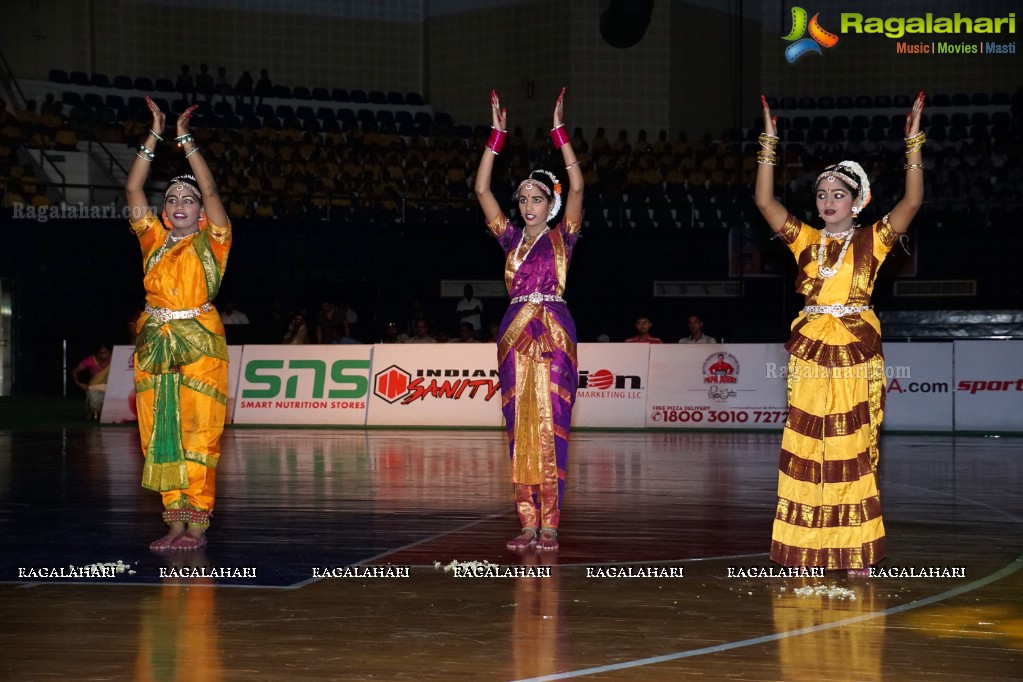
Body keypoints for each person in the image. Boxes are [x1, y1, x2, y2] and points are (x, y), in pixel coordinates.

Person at [755, 92, 925, 574]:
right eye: (821, 194)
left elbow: (913, 199)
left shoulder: (875, 239)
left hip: (855, 346)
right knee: (807, 444)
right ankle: (806, 548)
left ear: (858, 200)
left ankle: (855, 549)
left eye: (838, 195)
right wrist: (769, 142)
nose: (827, 202)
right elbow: (764, 200)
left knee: (850, 445)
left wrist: (913, 143)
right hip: (810, 347)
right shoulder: (804, 239)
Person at [474, 88, 583, 551]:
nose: (526, 205)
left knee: (551, 426)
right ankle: (526, 522)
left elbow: (578, 186)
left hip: (554, 332)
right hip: (515, 333)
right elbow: (481, 189)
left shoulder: (564, 239)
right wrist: (495, 139)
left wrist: (560, 135)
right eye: (522, 199)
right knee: (519, 427)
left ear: (550, 204)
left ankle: (551, 524)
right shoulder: (510, 241)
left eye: (535, 198)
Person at [126, 96, 233, 551]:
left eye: (188, 198)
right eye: (171, 198)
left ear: (200, 212)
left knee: (197, 431)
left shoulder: (216, 240)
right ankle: (175, 521)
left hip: (201, 345)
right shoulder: (152, 239)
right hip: (154, 344)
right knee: (160, 433)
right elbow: (133, 191)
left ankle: (199, 522)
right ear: (165, 212)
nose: (180, 202)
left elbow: (211, 192)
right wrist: (154, 134)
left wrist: (185, 141)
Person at [73, 342, 112, 420]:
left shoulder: (115, 359)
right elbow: (74, 371)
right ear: (97, 353)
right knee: (91, 391)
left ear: (110, 352)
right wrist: (79, 384)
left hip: (110, 387)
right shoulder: (90, 360)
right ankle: (95, 412)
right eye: (100, 353)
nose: (103, 356)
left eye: (105, 353)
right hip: (94, 387)